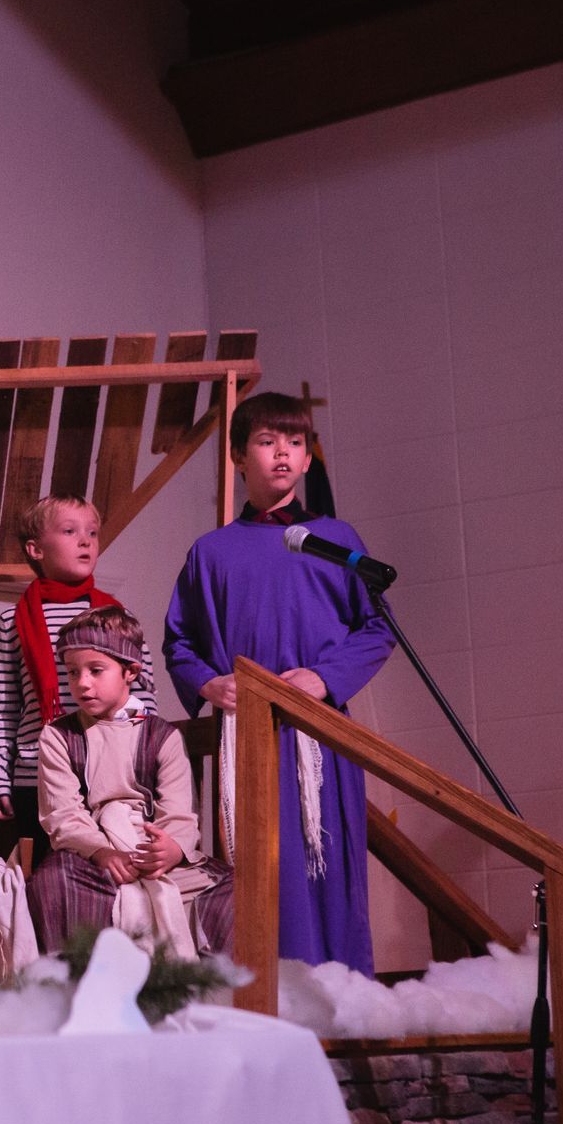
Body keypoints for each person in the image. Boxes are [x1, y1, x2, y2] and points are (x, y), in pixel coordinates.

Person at [163, 391, 393, 974]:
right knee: (267, 872)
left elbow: (377, 628)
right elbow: (179, 643)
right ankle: (271, 997)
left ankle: (343, 998)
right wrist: (211, 685)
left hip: (323, 734)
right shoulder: (211, 553)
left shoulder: (336, 541)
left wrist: (324, 676)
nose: (282, 454)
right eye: (267, 442)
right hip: (251, 737)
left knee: (330, 867)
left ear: (309, 458)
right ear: (240, 456)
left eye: (294, 442)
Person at [31, 606, 232, 957]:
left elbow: (180, 812)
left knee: (232, 890)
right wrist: (101, 852)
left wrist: (170, 849)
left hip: (152, 851)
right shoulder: (58, 736)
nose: (82, 683)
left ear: (130, 672)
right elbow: (62, 813)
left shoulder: (161, 736)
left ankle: (204, 996)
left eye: (96, 671)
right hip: (91, 857)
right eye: (73, 672)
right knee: (53, 882)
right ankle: (82, 994)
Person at [0, 494, 157, 865]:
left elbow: (143, 692)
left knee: (112, 871)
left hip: (108, 770)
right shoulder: (13, 621)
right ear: (36, 549)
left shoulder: (116, 616)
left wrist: (138, 755)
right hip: (38, 773)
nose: (85, 541)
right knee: (49, 875)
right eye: (69, 531)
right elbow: (5, 707)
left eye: (92, 533)